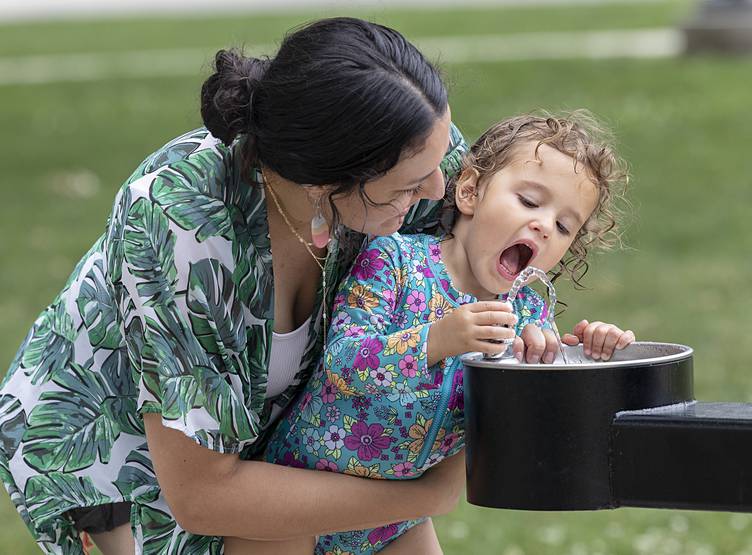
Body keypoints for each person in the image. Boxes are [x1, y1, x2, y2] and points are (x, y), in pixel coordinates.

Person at [0, 17, 471, 555]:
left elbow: (501, 262)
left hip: (282, 440)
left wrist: (557, 349)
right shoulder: (180, 220)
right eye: (412, 184)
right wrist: (420, 497)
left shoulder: (418, 146)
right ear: (322, 182)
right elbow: (203, 495)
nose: (440, 187)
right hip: (120, 458)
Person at [228, 110, 635, 555]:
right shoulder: (395, 260)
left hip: (393, 519)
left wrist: (585, 357)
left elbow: (534, 425)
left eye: (562, 227)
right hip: (300, 492)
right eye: (530, 201)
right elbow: (343, 362)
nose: (543, 225)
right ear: (470, 191)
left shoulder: (529, 315)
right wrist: (436, 340)